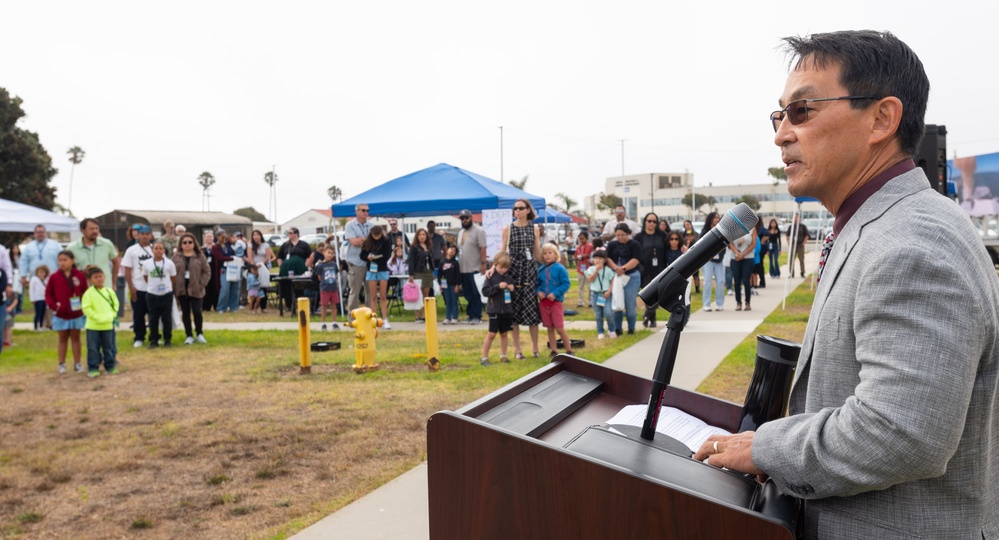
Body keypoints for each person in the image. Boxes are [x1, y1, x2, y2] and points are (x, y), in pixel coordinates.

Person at [693, 30, 999, 539]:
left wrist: (767, 447)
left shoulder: (913, 240)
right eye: (780, 115)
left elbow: (900, 432)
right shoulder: (875, 225)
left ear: (882, 118)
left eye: (803, 110)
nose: (781, 134)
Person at [499, 198, 542, 359]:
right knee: (514, 313)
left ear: (528, 210)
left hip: (530, 272)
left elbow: (537, 253)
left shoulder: (534, 228)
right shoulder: (508, 229)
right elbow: (502, 253)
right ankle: (518, 350)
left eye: (521, 208)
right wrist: (493, 269)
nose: (517, 210)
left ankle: (535, 349)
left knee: (532, 312)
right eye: (515, 208)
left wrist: (552, 263)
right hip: (514, 272)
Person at [45, 250, 87, 374]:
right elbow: (48, 294)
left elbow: (85, 291)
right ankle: (62, 363)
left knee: (76, 338)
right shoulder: (54, 276)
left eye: (65, 260)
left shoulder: (79, 275)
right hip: (61, 313)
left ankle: (77, 363)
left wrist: (83, 306)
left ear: (72, 261)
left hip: (76, 313)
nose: (62, 263)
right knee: (62, 338)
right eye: (60, 260)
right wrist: (55, 306)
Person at [172, 233, 210, 345]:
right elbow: (171, 271)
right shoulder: (176, 256)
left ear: (194, 243)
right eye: (184, 242)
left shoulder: (200, 256)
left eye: (190, 242)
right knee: (185, 312)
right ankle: (189, 335)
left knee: (197, 311)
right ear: (181, 244)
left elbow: (207, 271)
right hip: (181, 288)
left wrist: (201, 284)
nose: (187, 244)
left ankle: (199, 334)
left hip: (196, 289)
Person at [536, 243, 573, 357]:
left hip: (555, 302)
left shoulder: (560, 268)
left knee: (559, 327)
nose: (547, 255)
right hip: (544, 303)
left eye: (550, 253)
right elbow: (537, 284)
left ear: (555, 254)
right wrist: (538, 292)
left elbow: (566, 283)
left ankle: (569, 350)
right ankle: (554, 350)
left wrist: (555, 293)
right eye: (545, 253)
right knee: (549, 327)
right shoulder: (541, 269)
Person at [81, 267, 118, 377]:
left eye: (100, 276)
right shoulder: (88, 294)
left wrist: (112, 315)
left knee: (109, 347)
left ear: (104, 277)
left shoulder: (109, 291)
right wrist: (97, 317)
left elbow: (115, 305)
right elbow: (87, 309)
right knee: (93, 348)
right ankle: (93, 368)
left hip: (108, 325)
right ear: (90, 280)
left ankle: (110, 366)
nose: (98, 279)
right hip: (93, 326)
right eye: (95, 277)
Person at [605, 223, 641, 335]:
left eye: (623, 235)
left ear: (628, 234)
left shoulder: (635, 244)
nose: (620, 237)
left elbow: (636, 259)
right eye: (618, 235)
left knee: (630, 304)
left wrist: (624, 268)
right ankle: (618, 328)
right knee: (617, 301)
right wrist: (616, 268)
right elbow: (607, 258)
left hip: (631, 276)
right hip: (617, 276)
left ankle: (631, 328)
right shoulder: (612, 245)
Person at [479, 251, 515, 366]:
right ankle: (484, 357)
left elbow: (513, 296)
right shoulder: (490, 277)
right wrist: (497, 287)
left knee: (504, 333)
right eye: (501, 267)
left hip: (507, 310)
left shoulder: (509, 278)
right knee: (491, 334)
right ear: (495, 265)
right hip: (494, 310)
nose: (503, 270)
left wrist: (512, 289)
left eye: (505, 268)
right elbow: (485, 292)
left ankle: (503, 355)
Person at [121, 224, 154, 347]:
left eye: (147, 234)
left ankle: (154, 336)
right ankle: (139, 337)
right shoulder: (132, 250)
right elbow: (128, 269)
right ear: (138, 236)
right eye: (142, 234)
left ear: (151, 235)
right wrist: (131, 287)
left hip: (153, 288)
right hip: (138, 286)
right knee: (138, 314)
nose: (145, 236)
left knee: (154, 315)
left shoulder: (155, 248)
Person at [634, 212, 668, 328]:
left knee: (658, 296)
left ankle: (647, 316)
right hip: (645, 270)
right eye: (649, 221)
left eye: (654, 221)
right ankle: (651, 319)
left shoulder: (662, 235)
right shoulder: (639, 237)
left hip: (660, 269)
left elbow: (672, 245)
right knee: (649, 295)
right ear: (645, 222)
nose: (652, 224)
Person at [66, 218, 121, 288]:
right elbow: (67, 269)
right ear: (82, 230)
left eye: (97, 228)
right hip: (83, 289)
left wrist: (114, 282)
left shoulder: (107, 244)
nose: (95, 231)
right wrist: (82, 273)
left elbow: (116, 262)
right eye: (91, 229)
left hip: (104, 288)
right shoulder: (71, 248)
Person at [142, 240, 176, 348]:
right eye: (156, 248)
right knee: (153, 318)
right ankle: (154, 340)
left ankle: (167, 340)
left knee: (166, 318)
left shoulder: (169, 263)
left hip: (166, 294)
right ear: (152, 250)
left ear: (164, 250)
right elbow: (146, 277)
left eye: (160, 248)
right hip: (152, 294)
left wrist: (168, 288)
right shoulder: (147, 263)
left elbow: (173, 278)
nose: (158, 250)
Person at [456, 209, 487, 324]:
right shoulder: (460, 232)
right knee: (468, 293)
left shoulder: (479, 230)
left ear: (471, 218)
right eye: (462, 218)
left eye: (466, 218)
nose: (464, 220)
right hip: (463, 268)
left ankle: (477, 316)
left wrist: (483, 264)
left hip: (475, 267)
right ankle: (470, 315)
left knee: (475, 293)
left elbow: (483, 248)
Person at [360, 225, 392, 329]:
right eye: (374, 235)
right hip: (371, 269)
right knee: (373, 297)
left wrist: (376, 258)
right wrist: (368, 258)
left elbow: (387, 255)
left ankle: (385, 319)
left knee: (383, 296)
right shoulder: (367, 242)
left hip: (382, 268)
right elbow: (362, 255)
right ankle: (374, 319)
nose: (376, 237)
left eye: (378, 235)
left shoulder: (386, 241)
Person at [344, 205, 373, 318]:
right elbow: (354, 242)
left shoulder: (371, 225)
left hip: (370, 263)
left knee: (370, 292)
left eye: (367, 210)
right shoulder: (350, 225)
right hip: (355, 263)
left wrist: (361, 239)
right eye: (363, 210)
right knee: (354, 292)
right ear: (356, 211)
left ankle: (369, 316)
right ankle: (353, 318)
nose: (366, 212)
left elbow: (375, 241)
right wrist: (368, 240)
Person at [18, 224, 61, 292]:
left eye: (42, 232)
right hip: (36, 279)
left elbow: (62, 258)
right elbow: (23, 262)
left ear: (45, 233)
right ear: (34, 234)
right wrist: (23, 275)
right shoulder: (29, 246)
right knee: (38, 300)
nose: (40, 234)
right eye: (38, 232)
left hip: (53, 278)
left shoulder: (55, 245)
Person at [407, 228, 436, 322]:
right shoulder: (414, 247)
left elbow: (432, 259)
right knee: (417, 294)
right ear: (417, 236)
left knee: (426, 294)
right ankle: (417, 316)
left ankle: (425, 315)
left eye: (424, 234)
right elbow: (410, 260)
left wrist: (433, 270)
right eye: (420, 235)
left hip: (428, 272)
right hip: (418, 272)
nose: (422, 236)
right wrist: (411, 274)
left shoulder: (429, 246)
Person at [698, 213, 726, 312]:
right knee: (707, 282)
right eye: (715, 217)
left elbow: (725, 242)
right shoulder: (705, 231)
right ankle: (706, 304)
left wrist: (722, 255)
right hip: (708, 260)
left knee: (720, 281)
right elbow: (701, 245)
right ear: (710, 219)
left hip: (719, 259)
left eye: (718, 217)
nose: (717, 219)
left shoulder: (722, 230)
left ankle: (720, 304)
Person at [586, 249, 616, 339]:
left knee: (608, 313)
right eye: (595, 258)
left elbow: (612, 281)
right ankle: (600, 331)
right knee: (598, 315)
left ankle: (612, 329)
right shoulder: (591, 269)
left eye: (600, 258)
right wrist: (596, 270)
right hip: (595, 294)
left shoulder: (608, 270)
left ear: (604, 260)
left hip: (606, 294)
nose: (597, 260)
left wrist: (609, 291)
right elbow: (590, 279)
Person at [728, 222, 756, 311]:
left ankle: (748, 302)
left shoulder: (752, 229)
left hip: (748, 258)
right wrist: (737, 253)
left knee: (746, 280)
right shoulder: (733, 229)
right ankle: (738, 302)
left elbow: (753, 244)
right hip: (735, 258)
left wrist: (743, 254)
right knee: (737, 281)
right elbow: (730, 243)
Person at [247, 230, 277, 313]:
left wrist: (262, 264)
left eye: (257, 235)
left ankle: (263, 306)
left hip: (263, 267)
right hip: (253, 267)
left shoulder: (266, 245)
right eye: (254, 235)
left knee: (263, 287)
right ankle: (252, 307)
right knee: (254, 286)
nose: (256, 236)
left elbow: (267, 256)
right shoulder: (250, 245)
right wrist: (254, 265)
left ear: (261, 236)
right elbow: (249, 257)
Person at [313, 246, 340, 331]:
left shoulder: (334, 264)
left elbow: (335, 274)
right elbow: (319, 277)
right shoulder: (320, 265)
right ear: (324, 252)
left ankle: (334, 322)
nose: (330, 255)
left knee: (334, 306)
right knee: (324, 306)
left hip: (333, 288)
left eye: (332, 253)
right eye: (329, 253)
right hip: (325, 288)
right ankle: (323, 323)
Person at [214, 230, 239, 313]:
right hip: (224, 269)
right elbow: (220, 257)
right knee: (225, 289)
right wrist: (232, 258)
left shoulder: (228, 245)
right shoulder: (216, 247)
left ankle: (233, 307)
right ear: (217, 237)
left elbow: (234, 242)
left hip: (234, 268)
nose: (223, 237)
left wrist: (228, 238)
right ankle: (221, 307)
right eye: (221, 236)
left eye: (224, 235)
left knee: (235, 288)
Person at [438, 245, 461, 325]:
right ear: (447, 250)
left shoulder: (455, 263)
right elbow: (439, 274)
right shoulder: (442, 262)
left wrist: (457, 285)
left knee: (454, 301)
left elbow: (458, 275)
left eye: (454, 250)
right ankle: (448, 317)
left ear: (455, 254)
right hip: (445, 285)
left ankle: (454, 317)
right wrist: (440, 284)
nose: (452, 251)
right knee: (448, 301)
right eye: (451, 249)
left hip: (453, 285)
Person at [201, 231, 220, 312]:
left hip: (215, 270)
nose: (209, 238)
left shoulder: (217, 247)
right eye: (207, 237)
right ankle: (206, 306)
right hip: (205, 271)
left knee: (215, 288)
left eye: (210, 237)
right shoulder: (201, 248)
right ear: (205, 238)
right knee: (206, 288)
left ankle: (216, 305)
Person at [574, 231, 593, 308]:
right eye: (580, 239)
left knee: (590, 286)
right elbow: (575, 256)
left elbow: (591, 255)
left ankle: (590, 301)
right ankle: (580, 302)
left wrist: (584, 255)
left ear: (587, 238)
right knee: (580, 286)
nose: (581, 241)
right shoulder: (578, 247)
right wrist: (577, 258)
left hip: (588, 268)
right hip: (580, 268)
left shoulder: (590, 246)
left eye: (583, 239)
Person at [30, 265, 49, 331]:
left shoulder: (47, 279)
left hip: (44, 298)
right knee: (38, 313)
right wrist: (32, 299)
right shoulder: (34, 279)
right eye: (39, 272)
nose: (41, 274)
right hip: (37, 299)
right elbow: (31, 289)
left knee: (43, 313)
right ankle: (36, 327)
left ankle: (41, 325)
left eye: (42, 272)